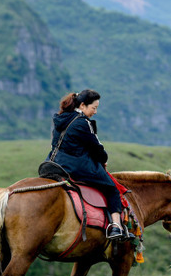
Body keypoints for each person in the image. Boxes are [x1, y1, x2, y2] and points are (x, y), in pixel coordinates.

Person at [46, 89, 127, 240]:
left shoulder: (60, 118)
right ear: (82, 105)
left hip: (52, 162)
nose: (95, 112)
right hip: (74, 166)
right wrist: (103, 159)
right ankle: (116, 226)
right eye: (94, 108)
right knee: (112, 189)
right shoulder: (83, 122)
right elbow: (96, 148)